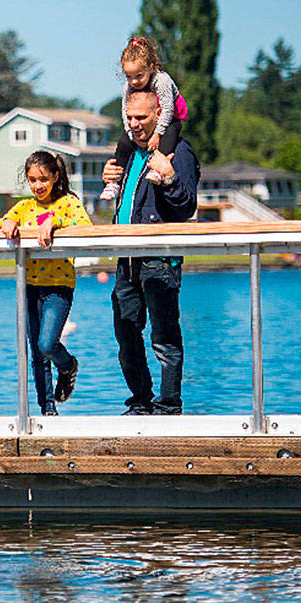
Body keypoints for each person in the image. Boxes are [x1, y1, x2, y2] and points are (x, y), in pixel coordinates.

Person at [102, 88, 200, 415]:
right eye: (129, 118)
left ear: (160, 115)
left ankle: (169, 405)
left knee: (165, 338)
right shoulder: (130, 153)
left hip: (160, 260)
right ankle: (140, 401)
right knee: (127, 335)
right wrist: (110, 179)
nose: (134, 124)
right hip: (126, 259)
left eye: (141, 117)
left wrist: (169, 178)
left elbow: (186, 206)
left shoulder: (179, 152)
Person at [0, 151, 92, 416]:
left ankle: (68, 365)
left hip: (58, 286)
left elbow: (84, 225)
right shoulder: (25, 206)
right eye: (32, 180)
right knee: (36, 352)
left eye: (43, 179)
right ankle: (47, 409)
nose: (38, 186)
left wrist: (54, 222)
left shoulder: (68, 203)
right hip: (30, 286)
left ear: (55, 177)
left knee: (47, 344)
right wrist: (9, 221)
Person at [101, 35, 188, 200]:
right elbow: (124, 109)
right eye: (129, 77)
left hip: (170, 116)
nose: (134, 81)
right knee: (124, 141)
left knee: (171, 131)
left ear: (151, 67)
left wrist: (157, 134)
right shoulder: (129, 86)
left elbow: (168, 109)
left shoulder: (161, 80)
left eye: (139, 76)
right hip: (155, 117)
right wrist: (130, 133)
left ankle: (158, 169)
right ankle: (113, 182)